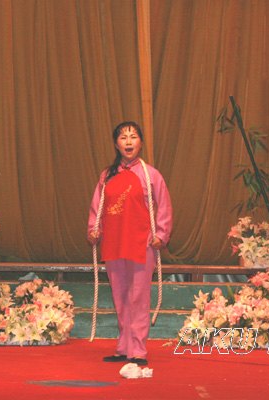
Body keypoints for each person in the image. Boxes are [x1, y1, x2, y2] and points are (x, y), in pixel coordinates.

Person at [87, 121, 172, 366]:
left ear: (140, 143)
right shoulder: (107, 175)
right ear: (116, 144)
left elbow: (164, 205)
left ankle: (138, 350)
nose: (128, 141)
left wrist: (161, 234)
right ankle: (124, 347)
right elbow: (97, 207)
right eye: (123, 137)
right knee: (121, 296)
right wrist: (93, 229)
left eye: (133, 137)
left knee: (138, 297)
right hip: (114, 242)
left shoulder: (151, 175)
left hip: (141, 243)